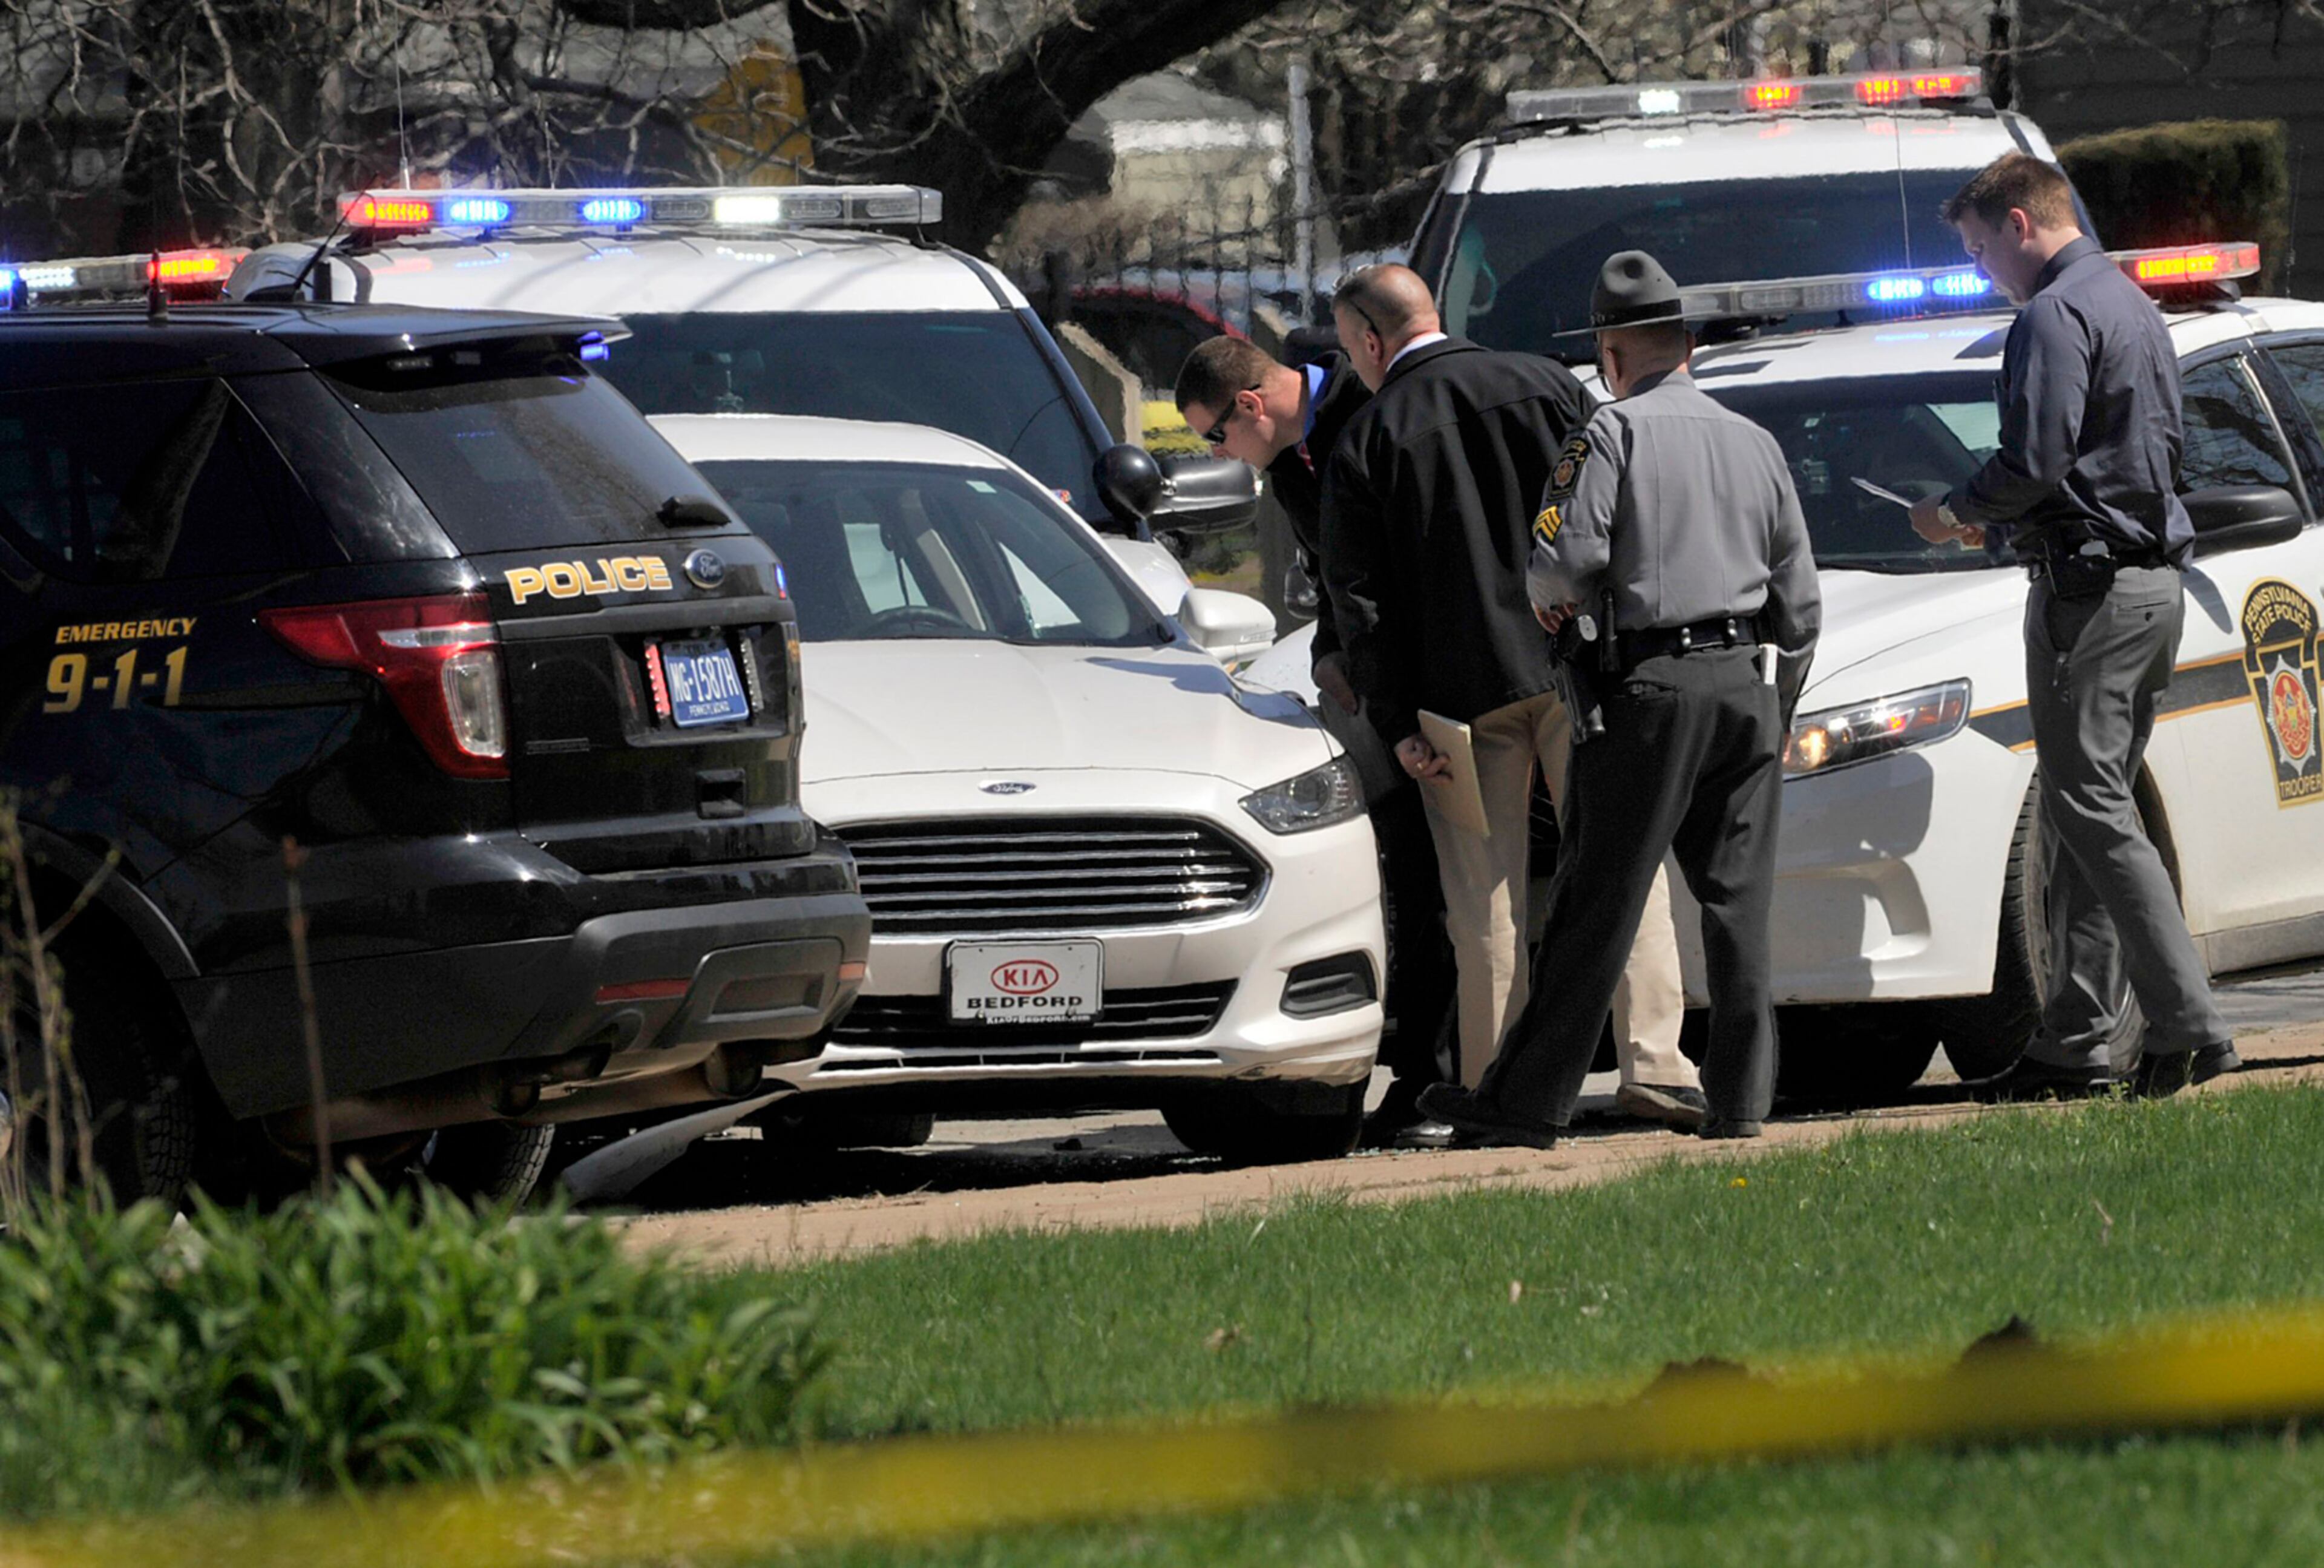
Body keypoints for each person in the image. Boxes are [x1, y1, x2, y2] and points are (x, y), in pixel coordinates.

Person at [1422, 250, 1821, 1149]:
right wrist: (1775, 706)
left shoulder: (1608, 435)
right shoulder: (1754, 442)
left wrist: (1555, 605)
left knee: (1595, 900)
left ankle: (1524, 1102)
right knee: (1736, 905)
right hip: (1744, 687)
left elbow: (1563, 562)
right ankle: (1741, 1101)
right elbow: (1800, 603)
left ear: (1610, 349)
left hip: (1649, 690)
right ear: (1687, 345)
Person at [1315, 263, 1707, 1131]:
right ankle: (1657, 1064)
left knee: (1483, 906)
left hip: (1455, 699)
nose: (1355, 364)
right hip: (1575, 671)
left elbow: (1362, 603)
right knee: (1621, 873)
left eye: (1351, 348)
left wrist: (1391, 721)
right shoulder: (1546, 385)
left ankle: (1501, 1088)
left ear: (1374, 342)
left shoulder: (1368, 437)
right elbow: (1619, 515)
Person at [1907, 151, 2234, 1100]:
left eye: (1978, 250)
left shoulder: (2053, 314)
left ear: (2019, 225)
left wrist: (1956, 512)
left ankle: (2189, 1024)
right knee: (2096, 809)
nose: (1982, 272)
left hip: (2089, 596)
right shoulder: (2130, 303)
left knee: (2088, 806)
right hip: (2148, 587)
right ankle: (2077, 1038)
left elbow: (2038, 458)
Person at [1175, 334, 1459, 1145]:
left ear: (1253, 406)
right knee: (1406, 869)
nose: (1219, 453)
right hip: (1372, 680)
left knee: (1438, 880)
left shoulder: (1363, 420)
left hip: (1430, 680)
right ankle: (1420, 1069)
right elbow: (1334, 566)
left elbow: (1395, 564)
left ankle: (1438, 1078)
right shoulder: (1292, 458)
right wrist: (1333, 647)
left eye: (1215, 435)